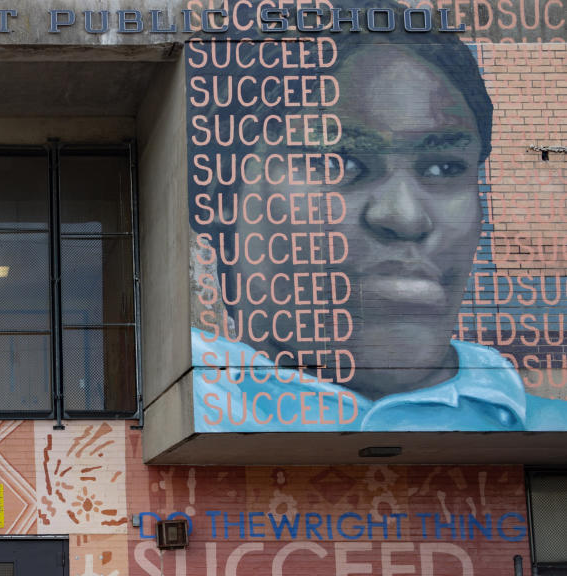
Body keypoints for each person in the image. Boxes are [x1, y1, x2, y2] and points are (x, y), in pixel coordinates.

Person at [189, 5, 567, 431]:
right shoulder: (180, 406)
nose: (405, 217)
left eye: (443, 168)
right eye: (337, 162)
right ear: (216, 191)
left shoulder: (543, 426)